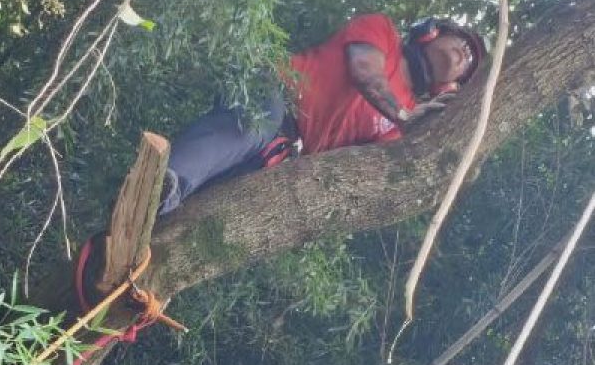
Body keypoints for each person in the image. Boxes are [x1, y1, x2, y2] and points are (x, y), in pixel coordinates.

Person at [158, 13, 488, 214]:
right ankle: (162, 182)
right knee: (250, 128)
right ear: (432, 32)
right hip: (276, 95)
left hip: (284, 152)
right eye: (462, 42)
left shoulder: (403, 125)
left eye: (470, 62)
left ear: (450, 87)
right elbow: (364, 72)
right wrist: (404, 115)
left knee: (215, 202)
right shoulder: (382, 31)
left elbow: (372, 164)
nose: (465, 55)